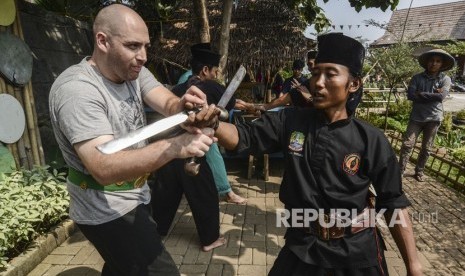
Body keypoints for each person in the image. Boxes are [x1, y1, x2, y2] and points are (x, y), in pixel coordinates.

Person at [196, 33, 423, 275]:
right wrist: (215, 126)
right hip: (302, 246)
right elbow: (244, 137)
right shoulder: (290, 120)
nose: (319, 82)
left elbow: (393, 203)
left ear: (353, 84)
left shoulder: (371, 139)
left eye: (330, 74)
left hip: (355, 253)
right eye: (315, 74)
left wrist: (413, 266)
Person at [49, 4, 216, 276]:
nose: (143, 56)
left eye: (146, 46)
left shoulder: (131, 71)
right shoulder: (77, 91)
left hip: (136, 195)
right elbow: (102, 167)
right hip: (105, 210)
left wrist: (183, 107)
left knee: (121, 267)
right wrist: (176, 146)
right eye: (133, 46)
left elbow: (167, 101)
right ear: (102, 40)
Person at [398, 49, 454, 182]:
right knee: (407, 144)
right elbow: (411, 95)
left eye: (437, 61)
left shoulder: (445, 79)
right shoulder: (417, 78)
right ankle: (400, 171)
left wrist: (421, 94)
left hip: (434, 118)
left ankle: (419, 171)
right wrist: (432, 95)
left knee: (427, 148)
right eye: (431, 60)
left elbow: (441, 96)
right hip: (416, 117)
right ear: (427, 62)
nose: (434, 63)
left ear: (442, 64)